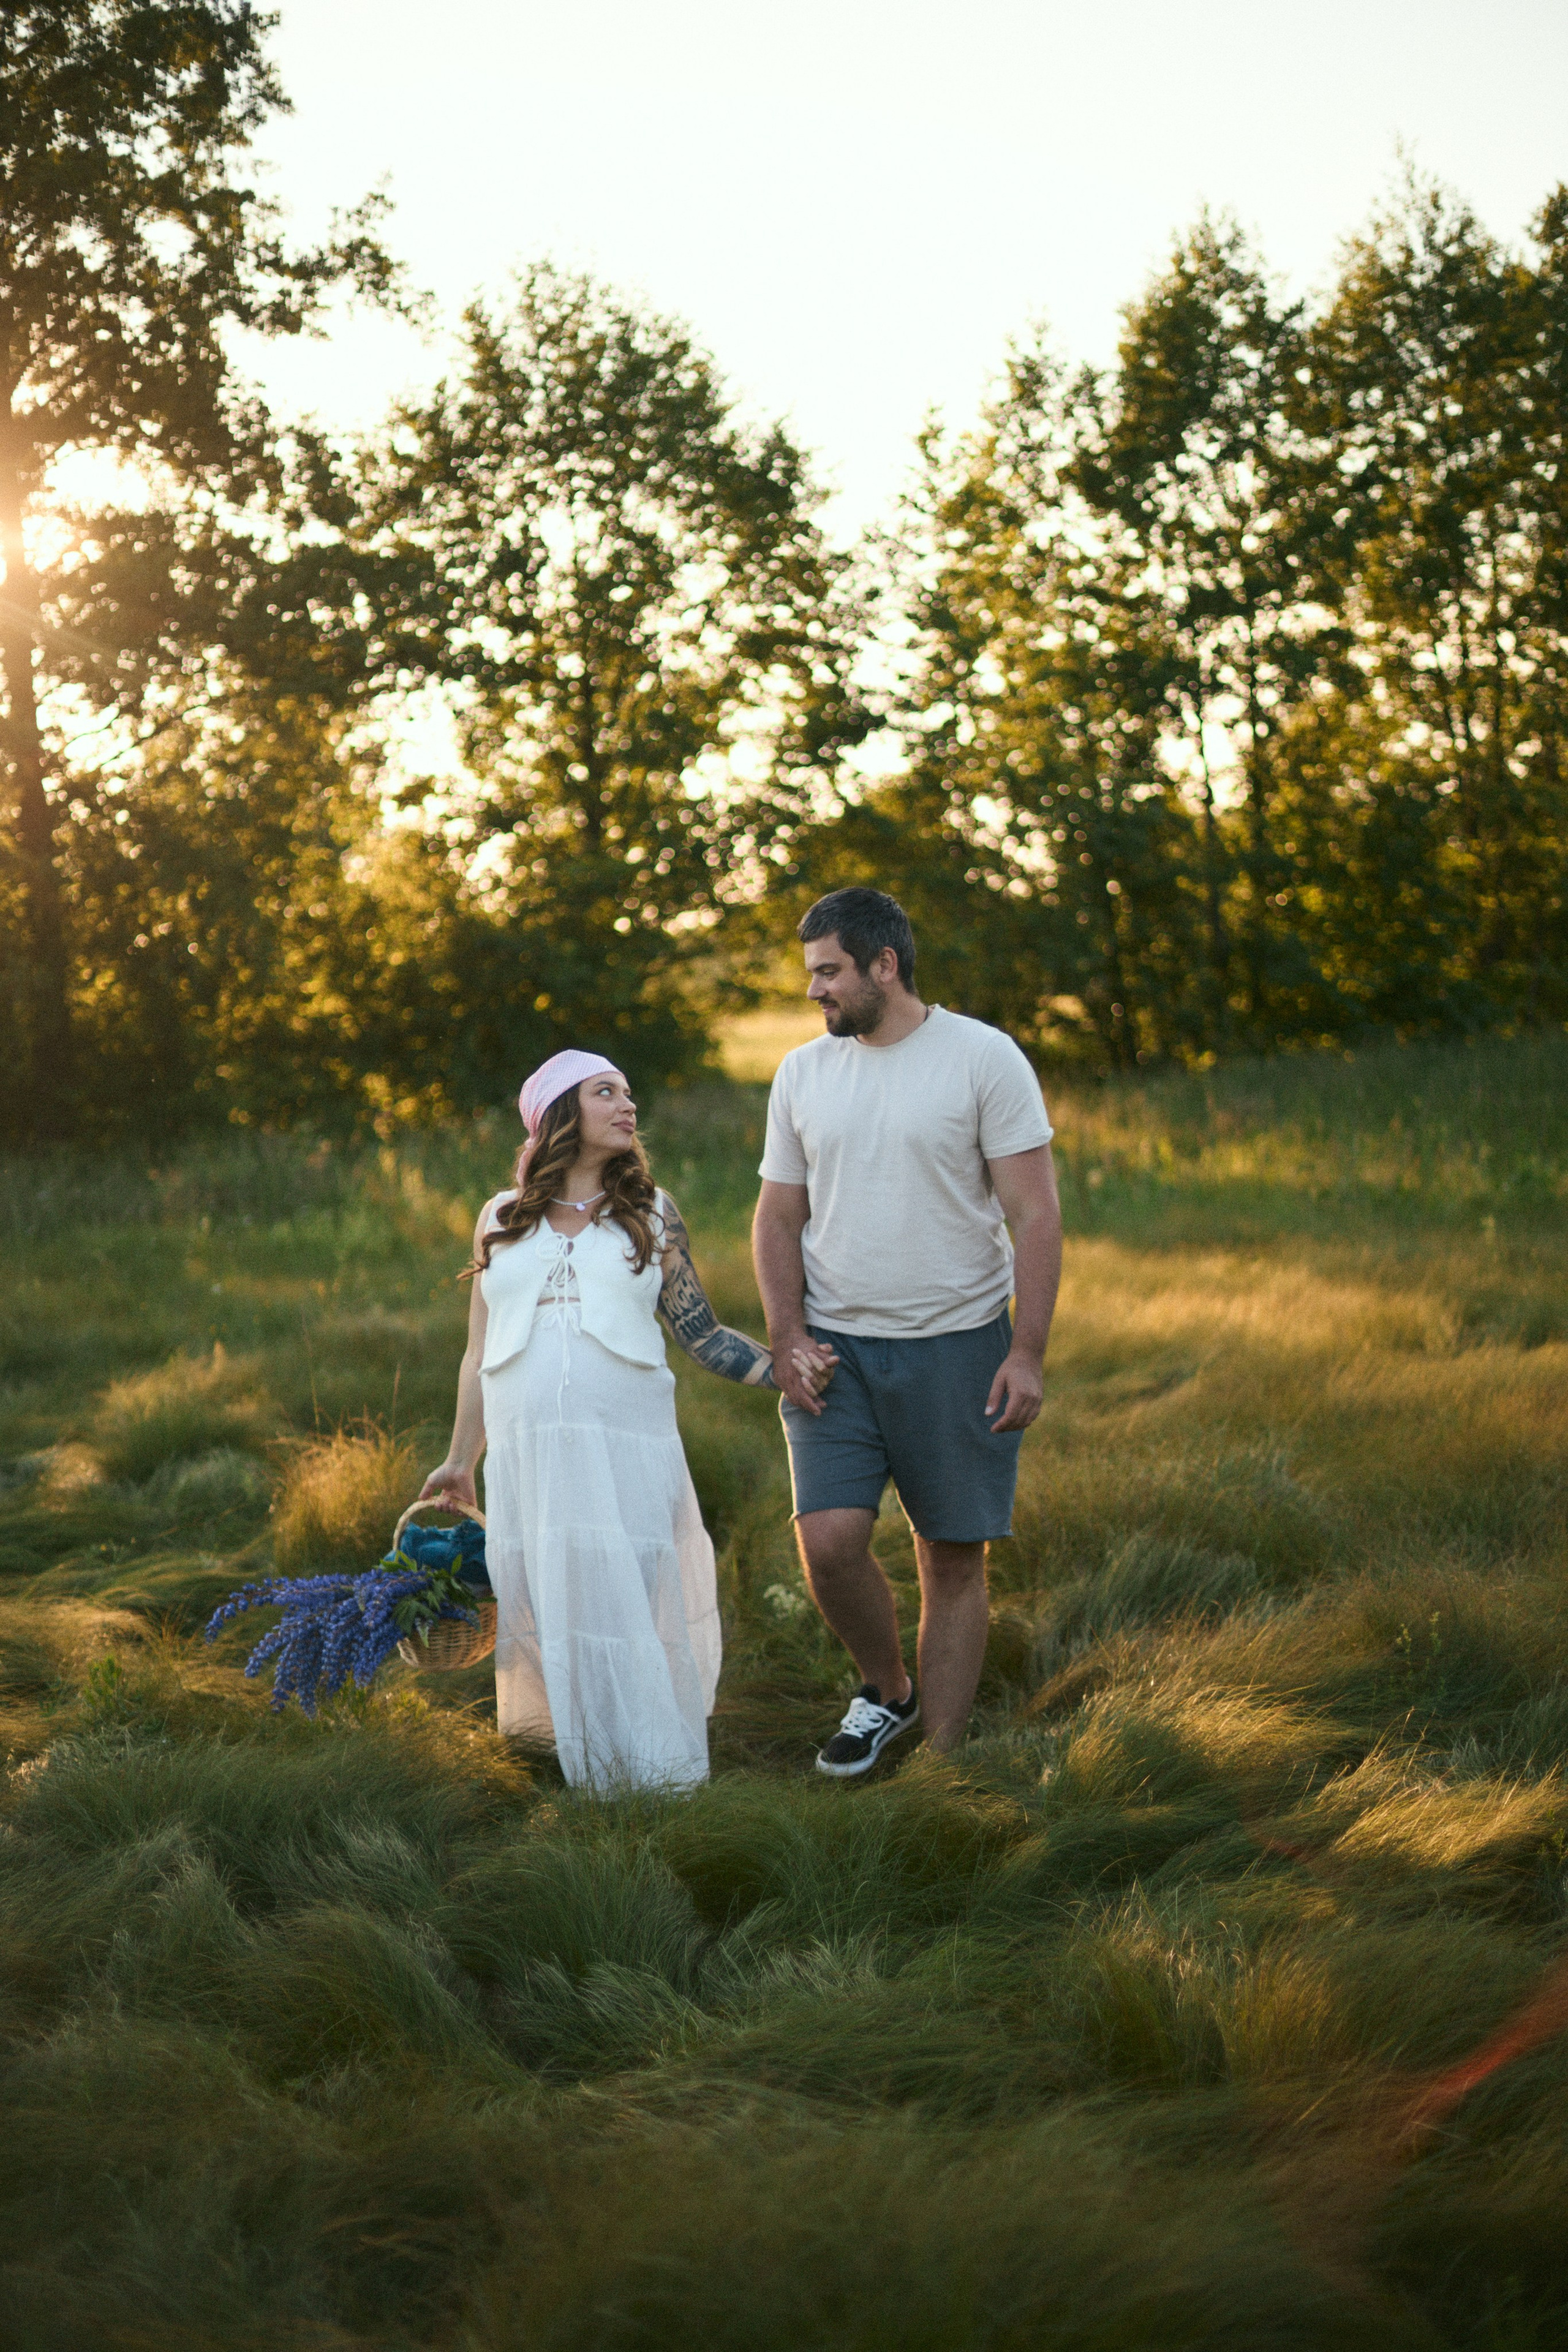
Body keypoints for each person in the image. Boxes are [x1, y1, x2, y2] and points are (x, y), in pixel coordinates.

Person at [420, 1049, 832, 1789]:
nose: (627, 1106)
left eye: (629, 1094)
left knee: (630, 1596)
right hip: (528, 1449)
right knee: (550, 1596)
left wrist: (783, 1369)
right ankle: (573, 1759)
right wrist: (460, 1460)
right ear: (558, 1113)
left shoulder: (650, 1211)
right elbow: (477, 1353)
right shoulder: (500, 1218)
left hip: (627, 1443)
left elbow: (700, 1332)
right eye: (606, 1092)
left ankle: (656, 1771)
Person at [753, 887, 1062, 1776]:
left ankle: (943, 1765)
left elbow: (1035, 1214)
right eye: (812, 973)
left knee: (951, 1559)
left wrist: (1026, 1352)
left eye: (829, 971)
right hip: (834, 1353)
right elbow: (778, 1217)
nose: (814, 990)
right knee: (829, 1542)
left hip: (959, 1345)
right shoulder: (803, 1074)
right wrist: (786, 1336)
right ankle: (888, 1690)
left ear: (884, 965)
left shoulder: (983, 1059)